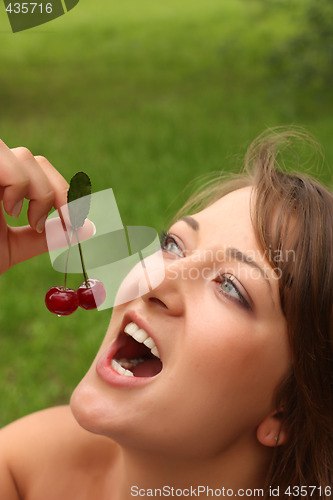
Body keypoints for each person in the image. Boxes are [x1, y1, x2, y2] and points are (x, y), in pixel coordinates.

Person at [0, 129, 332, 500]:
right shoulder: (23, 469)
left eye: (231, 287)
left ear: (287, 410)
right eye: (173, 246)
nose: (154, 280)